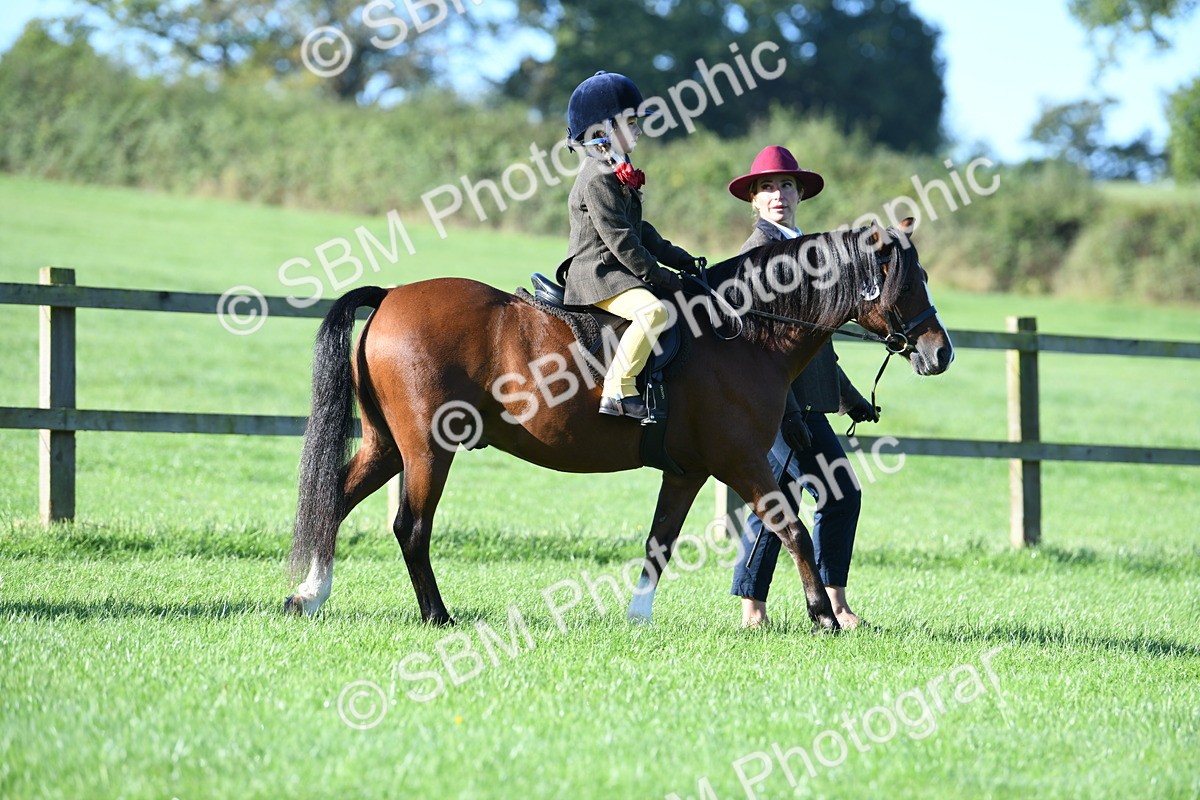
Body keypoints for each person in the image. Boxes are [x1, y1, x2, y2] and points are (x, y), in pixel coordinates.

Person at [726, 145, 880, 629]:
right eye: (767, 187)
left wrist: (849, 397)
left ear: (799, 195)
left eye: (786, 185)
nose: (778, 195)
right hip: (771, 406)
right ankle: (832, 605)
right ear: (754, 200)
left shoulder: (811, 254)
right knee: (835, 494)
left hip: (808, 404)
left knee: (779, 502)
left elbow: (818, 345)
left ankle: (754, 609)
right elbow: (760, 349)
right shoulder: (756, 256)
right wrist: (788, 412)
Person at [559, 71, 704, 421]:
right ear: (605, 129)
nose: (639, 130)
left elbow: (640, 230)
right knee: (653, 312)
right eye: (632, 122)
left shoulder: (615, 169)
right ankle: (618, 391)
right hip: (598, 274)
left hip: (614, 270)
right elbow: (621, 241)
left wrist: (680, 259)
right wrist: (663, 277)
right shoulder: (598, 178)